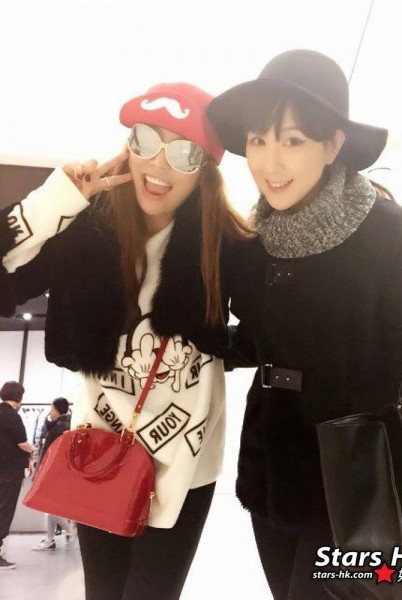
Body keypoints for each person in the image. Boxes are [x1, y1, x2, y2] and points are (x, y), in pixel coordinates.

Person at [207, 49, 402, 599]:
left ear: (333, 144)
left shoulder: (389, 233)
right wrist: (201, 338)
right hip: (272, 469)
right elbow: (259, 341)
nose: (270, 163)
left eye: (293, 140)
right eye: (258, 140)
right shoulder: (251, 246)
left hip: (361, 478)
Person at [0, 82, 249, 598]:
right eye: (145, 140)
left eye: (183, 152)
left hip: (185, 460)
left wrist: (217, 342)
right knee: (103, 591)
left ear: (205, 168)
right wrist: (55, 201)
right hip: (101, 446)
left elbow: (272, 334)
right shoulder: (85, 230)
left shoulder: (223, 244)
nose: (158, 164)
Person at [32, 397, 77, 551]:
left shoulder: (59, 427)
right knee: (51, 506)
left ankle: (70, 531)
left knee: (50, 506)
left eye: (52, 408)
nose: (50, 411)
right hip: (59, 471)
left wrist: (40, 470)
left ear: (57, 409)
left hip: (54, 471)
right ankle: (50, 539)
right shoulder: (65, 425)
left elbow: (52, 452)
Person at [0, 381, 34, 570]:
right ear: (19, 397)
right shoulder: (12, 416)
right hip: (9, 471)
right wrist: (32, 451)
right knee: (4, 510)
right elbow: (22, 443)